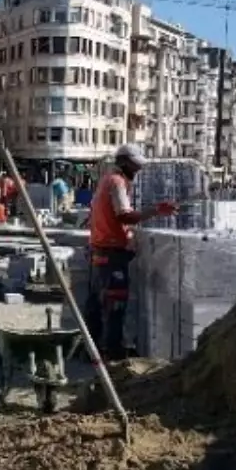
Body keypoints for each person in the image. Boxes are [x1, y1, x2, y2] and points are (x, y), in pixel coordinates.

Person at [86, 144, 178, 361]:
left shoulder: (106, 181)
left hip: (100, 249)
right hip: (112, 253)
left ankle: (93, 349)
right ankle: (113, 353)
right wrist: (157, 210)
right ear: (125, 163)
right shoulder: (117, 182)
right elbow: (124, 216)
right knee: (115, 304)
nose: (137, 171)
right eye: (135, 166)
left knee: (97, 304)